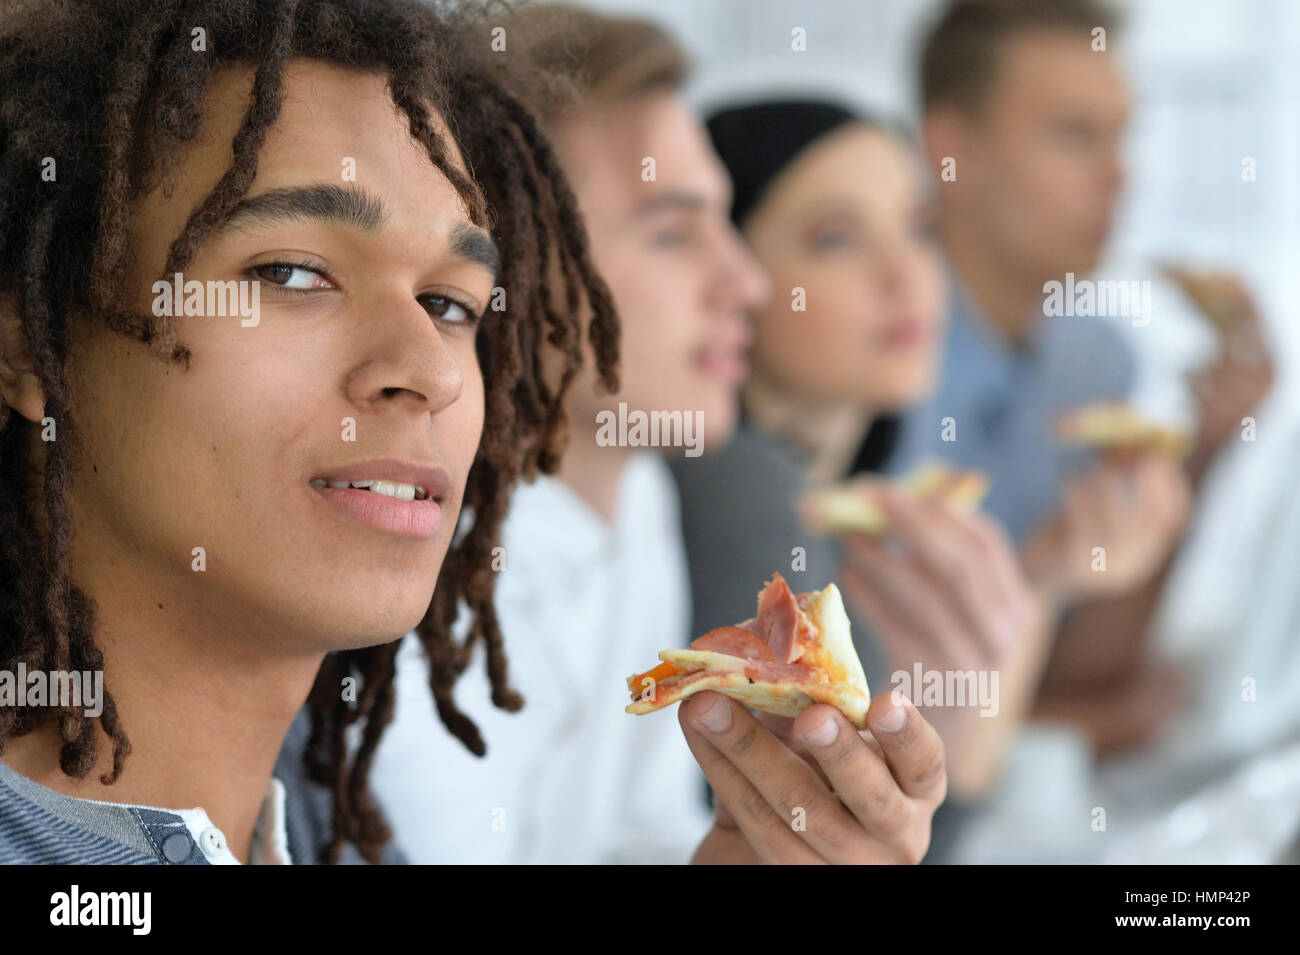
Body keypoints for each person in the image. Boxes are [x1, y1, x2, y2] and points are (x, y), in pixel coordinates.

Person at [0, 0, 619, 865]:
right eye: (293, 272)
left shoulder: (344, 839)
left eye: (448, 305)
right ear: (30, 343)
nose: (431, 370)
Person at [369, 5, 949, 865]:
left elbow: (635, 837)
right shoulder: (393, 567)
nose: (746, 282)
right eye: (674, 232)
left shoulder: (632, 491)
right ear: (504, 269)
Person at [674, 100, 1052, 862]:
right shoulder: (738, 486)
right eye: (836, 238)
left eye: (918, 228)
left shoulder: (857, 511)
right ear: (730, 271)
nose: (905, 274)